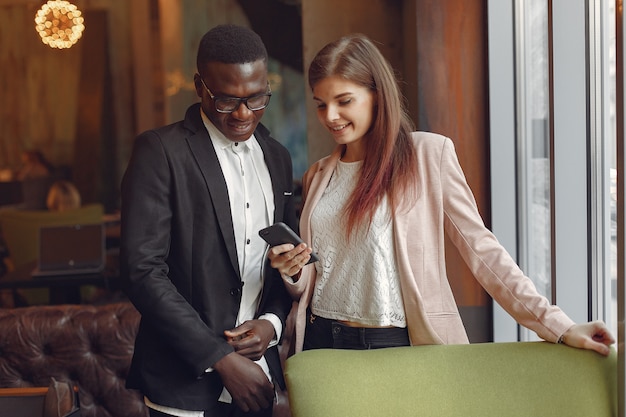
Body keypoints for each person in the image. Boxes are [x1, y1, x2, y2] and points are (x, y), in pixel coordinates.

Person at [268, 33, 615, 356]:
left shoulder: (427, 157)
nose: (330, 116)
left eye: (344, 101)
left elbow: (483, 250)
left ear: (377, 94)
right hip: (321, 344)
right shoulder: (318, 174)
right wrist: (294, 272)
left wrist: (558, 325)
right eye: (320, 104)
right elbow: (316, 281)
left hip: (397, 344)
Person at [120, 24, 296, 417]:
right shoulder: (160, 151)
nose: (243, 113)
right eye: (227, 100)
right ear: (200, 86)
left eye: (257, 98)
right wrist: (218, 356)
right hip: (183, 383)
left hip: (259, 376)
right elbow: (141, 270)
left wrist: (270, 324)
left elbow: (285, 256)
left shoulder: (277, 157)